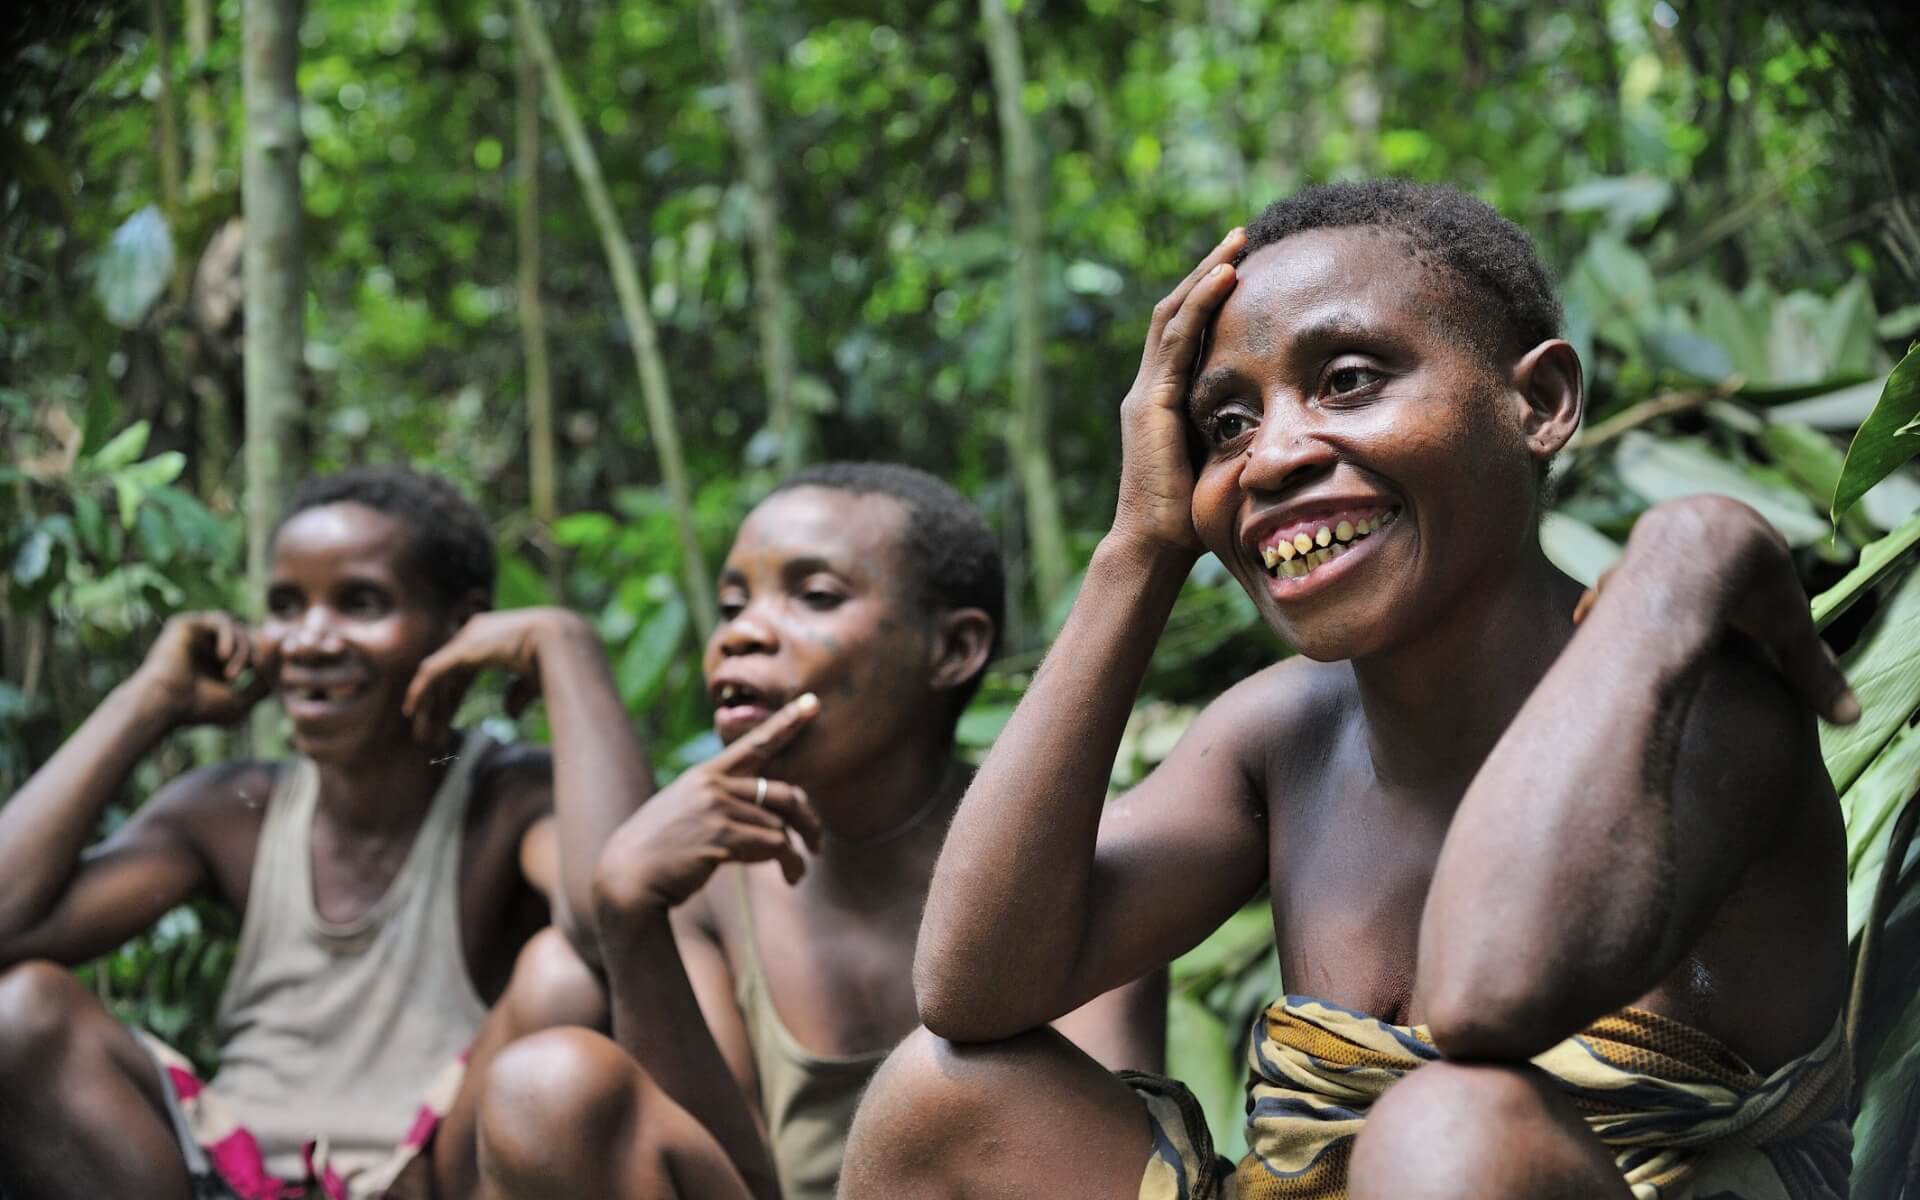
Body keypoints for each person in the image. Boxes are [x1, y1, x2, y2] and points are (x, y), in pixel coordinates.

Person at [838, 181, 1857, 1200]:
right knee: (940, 1097)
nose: (1272, 456)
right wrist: (1138, 545)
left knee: (1451, 1130)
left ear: (1539, 404)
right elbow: (974, 987)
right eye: (1226, 425)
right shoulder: (1283, 733)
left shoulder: (1693, 703)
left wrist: (1679, 563)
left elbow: (1481, 1005)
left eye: (1350, 379)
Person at [474, 462, 1167, 1200]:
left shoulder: (1066, 864)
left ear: (954, 649)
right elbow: (727, 1184)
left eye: (814, 596)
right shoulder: (712, 882)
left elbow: (1113, 1178)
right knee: (545, 1085)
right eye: (733, 603)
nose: (743, 633)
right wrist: (629, 908)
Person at [0, 465, 647, 1200]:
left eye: (360, 603)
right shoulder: (229, 810)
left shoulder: (509, 800)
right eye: (284, 605)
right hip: (227, 1176)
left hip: (432, 1176)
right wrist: (148, 700)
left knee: (560, 976)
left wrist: (565, 645)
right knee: (15, 1014)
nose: (308, 639)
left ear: (462, 628)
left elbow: (614, 925)